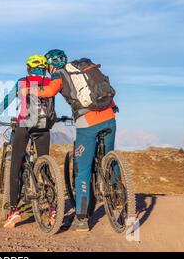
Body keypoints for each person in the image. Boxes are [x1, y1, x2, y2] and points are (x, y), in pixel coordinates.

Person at [33, 49, 119, 232]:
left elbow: (49, 91)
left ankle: (81, 219)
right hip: (110, 117)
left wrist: (29, 90)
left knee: (83, 170)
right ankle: (119, 196)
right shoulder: (84, 68)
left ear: (50, 65)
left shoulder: (59, 74)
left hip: (88, 123)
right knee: (108, 157)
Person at [0, 54, 53, 228]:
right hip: (44, 126)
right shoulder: (49, 83)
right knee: (45, 166)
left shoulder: (23, 81)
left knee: (15, 166)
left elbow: (7, 100)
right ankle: (52, 209)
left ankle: (13, 211)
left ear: (29, 68)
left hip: (26, 125)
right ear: (44, 68)